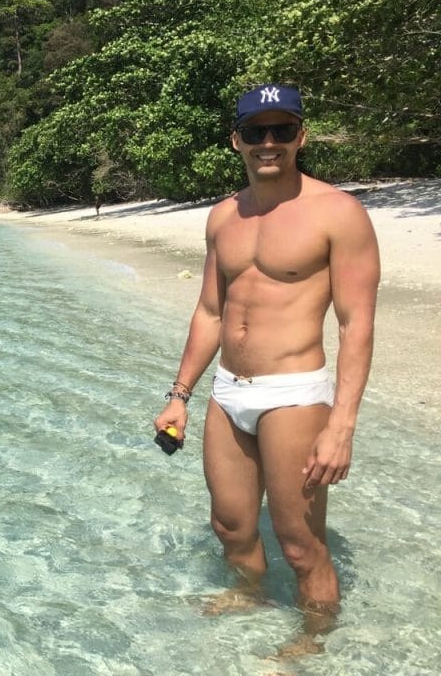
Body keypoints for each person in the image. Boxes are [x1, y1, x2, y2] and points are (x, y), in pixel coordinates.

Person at [154, 84, 380, 657]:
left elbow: (357, 325)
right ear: (237, 141)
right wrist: (180, 394)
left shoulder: (338, 213)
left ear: (302, 136)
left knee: (300, 542)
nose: (269, 142)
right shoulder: (223, 216)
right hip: (229, 390)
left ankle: (312, 639)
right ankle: (251, 594)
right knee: (231, 526)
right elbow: (210, 311)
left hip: (295, 394)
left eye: (282, 130)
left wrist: (341, 426)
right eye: (256, 132)